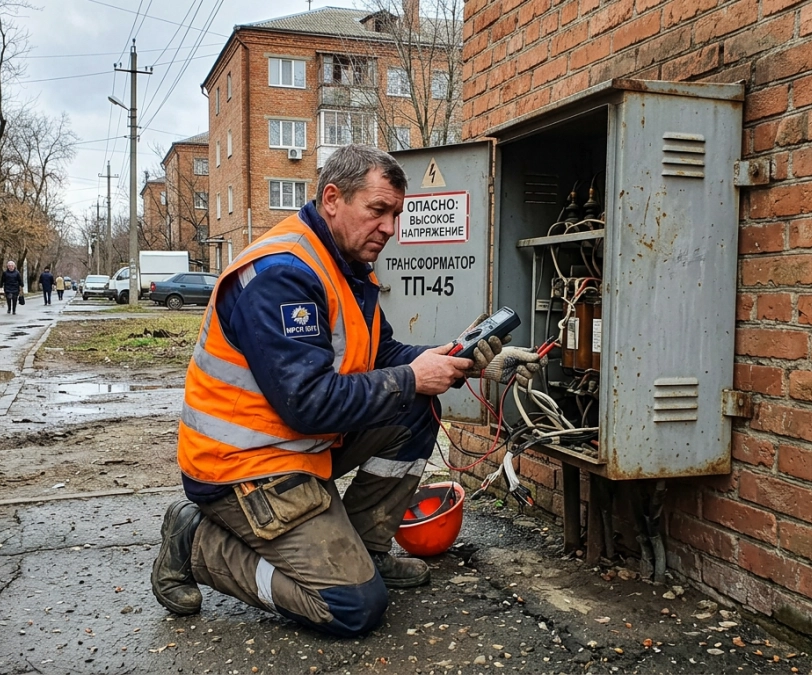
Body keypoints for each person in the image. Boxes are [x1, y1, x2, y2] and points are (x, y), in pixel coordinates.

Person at [150, 145, 545, 637]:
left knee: (414, 409)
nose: (389, 228)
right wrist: (413, 377)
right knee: (350, 607)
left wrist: (462, 362)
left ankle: (365, 550)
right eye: (378, 210)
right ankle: (196, 543)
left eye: (396, 214)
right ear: (333, 199)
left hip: (297, 450)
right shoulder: (283, 275)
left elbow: (384, 355)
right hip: (242, 467)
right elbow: (308, 404)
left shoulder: (345, 265)